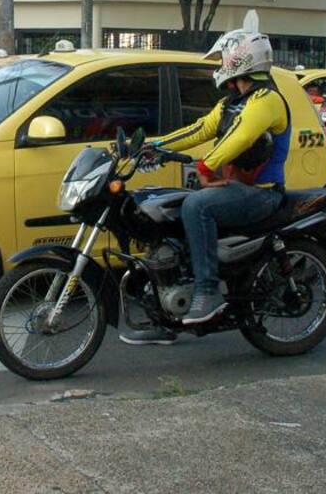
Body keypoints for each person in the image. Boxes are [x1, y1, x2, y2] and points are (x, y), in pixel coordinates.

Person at [121, 30, 291, 345]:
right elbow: (200, 128)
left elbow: (240, 136)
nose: (219, 66)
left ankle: (207, 290)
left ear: (239, 59)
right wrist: (153, 146)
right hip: (237, 190)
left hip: (262, 192)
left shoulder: (267, 100)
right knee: (166, 206)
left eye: (223, 59)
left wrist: (205, 165)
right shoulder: (232, 102)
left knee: (197, 205)